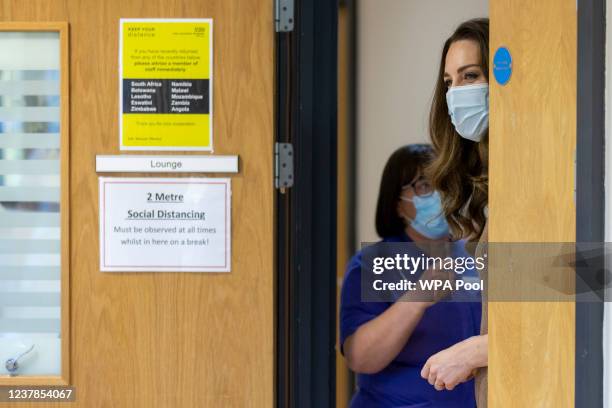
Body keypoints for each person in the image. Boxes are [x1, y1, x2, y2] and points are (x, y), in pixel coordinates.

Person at [340, 144, 481, 407]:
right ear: (397, 204)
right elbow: (360, 358)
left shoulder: (475, 255)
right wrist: (417, 299)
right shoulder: (373, 263)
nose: (438, 195)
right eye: (424, 186)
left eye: (443, 183)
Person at [420, 18, 490, 407]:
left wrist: (474, 352)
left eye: (470, 76)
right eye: (449, 83)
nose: (456, 93)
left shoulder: (534, 180)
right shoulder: (490, 187)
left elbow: (573, 307)